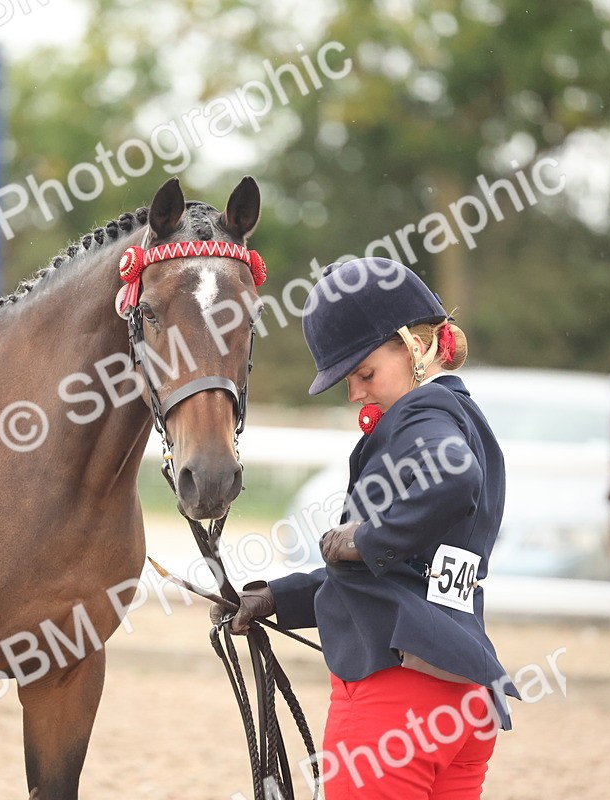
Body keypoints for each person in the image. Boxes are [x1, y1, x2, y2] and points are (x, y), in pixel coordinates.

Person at [216, 258, 517, 800]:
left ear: (414, 347)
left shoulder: (422, 416)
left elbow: (452, 479)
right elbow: (400, 578)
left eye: (365, 374)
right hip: (463, 704)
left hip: (393, 709)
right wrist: (278, 597)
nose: (356, 393)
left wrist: (365, 538)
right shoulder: (467, 419)